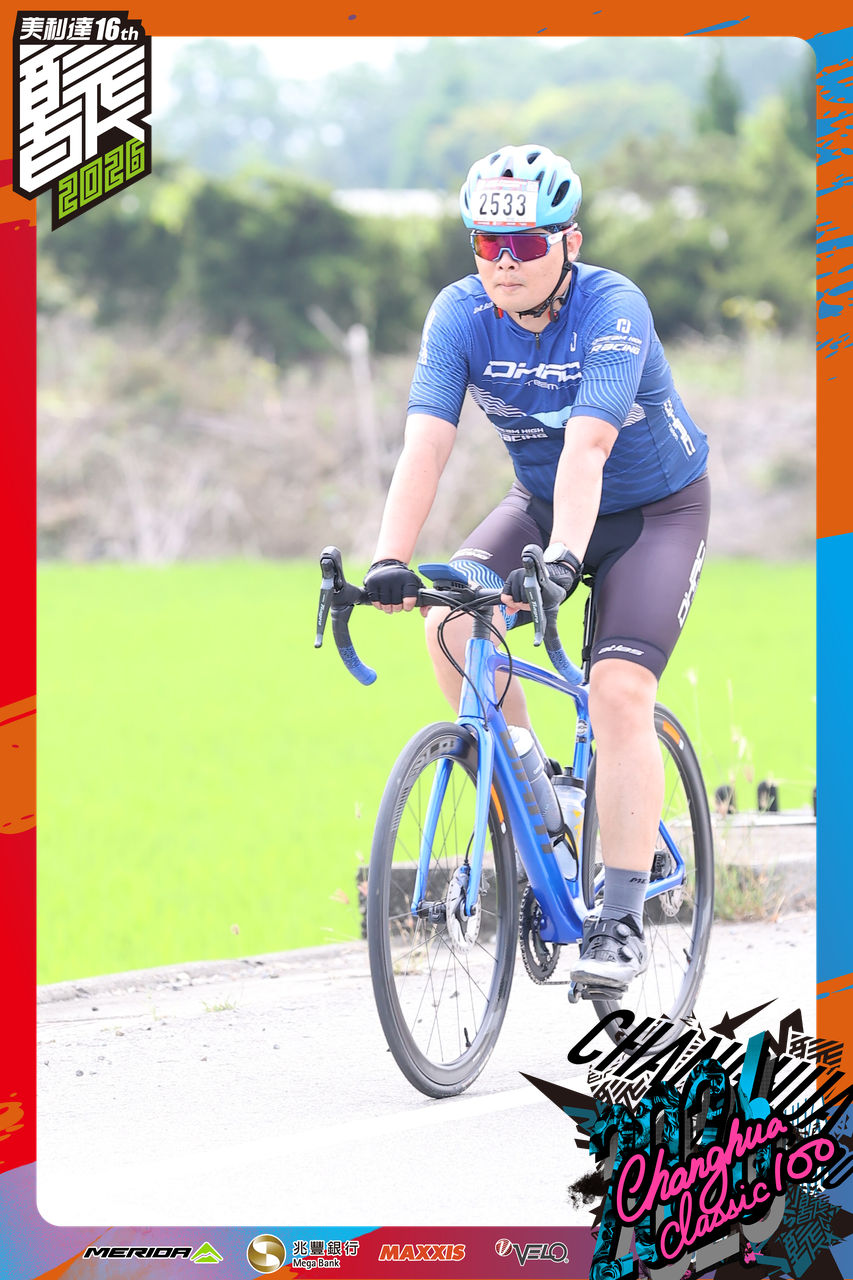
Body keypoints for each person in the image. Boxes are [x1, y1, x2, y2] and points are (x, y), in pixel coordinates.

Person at [363, 143, 710, 993]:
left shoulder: (612, 307)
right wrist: (388, 559)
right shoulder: (458, 314)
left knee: (617, 691)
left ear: (569, 242)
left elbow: (589, 447)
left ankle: (620, 919)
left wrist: (560, 563)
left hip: (653, 514)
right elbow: (425, 445)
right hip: (544, 502)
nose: (504, 262)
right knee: (450, 620)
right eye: (487, 243)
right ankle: (532, 786)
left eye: (523, 243)